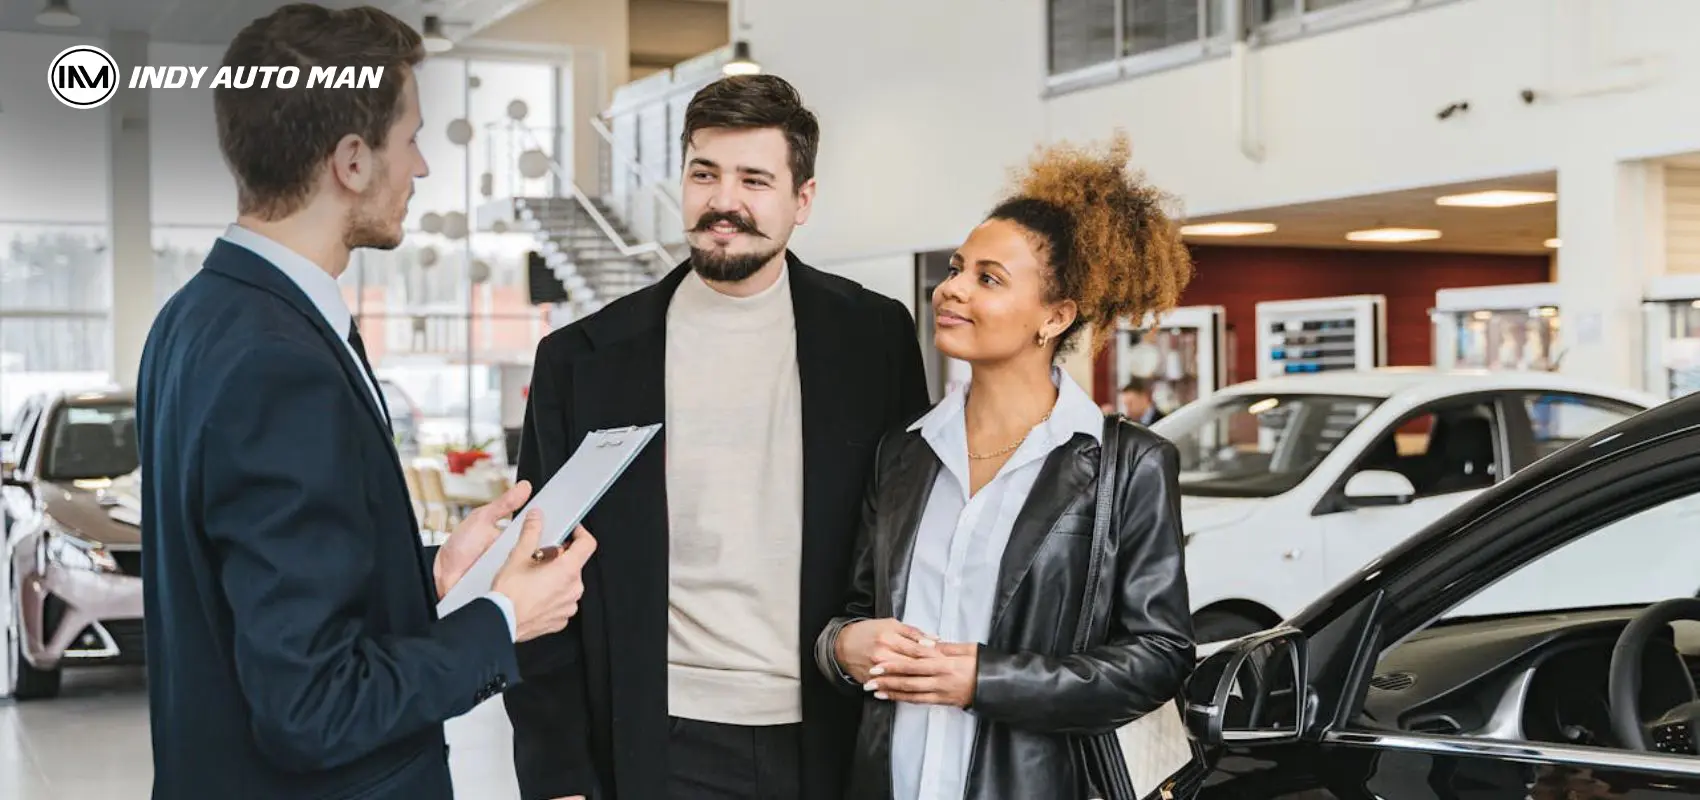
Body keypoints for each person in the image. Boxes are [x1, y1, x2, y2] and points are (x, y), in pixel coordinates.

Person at [135, 6, 596, 799]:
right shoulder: (279, 364)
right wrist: (500, 621)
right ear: (352, 159)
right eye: (410, 137)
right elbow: (312, 706)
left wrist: (439, 579)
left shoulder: (194, 318)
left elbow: (258, 594)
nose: (419, 167)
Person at [504, 73, 931, 800]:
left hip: (834, 730)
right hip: (658, 739)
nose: (723, 202)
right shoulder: (584, 360)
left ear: (803, 200)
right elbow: (536, 572)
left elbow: (911, 537)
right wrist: (559, 776)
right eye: (705, 173)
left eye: (754, 179)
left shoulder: (876, 337)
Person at [815, 132, 1198, 799]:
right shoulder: (903, 453)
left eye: (987, 279)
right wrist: (842, 647)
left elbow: (1158, 656)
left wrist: (983, 680)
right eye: (958, 267)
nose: (951, 290)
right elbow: (855, 608)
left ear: (1054, 317)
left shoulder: (1128, 465)